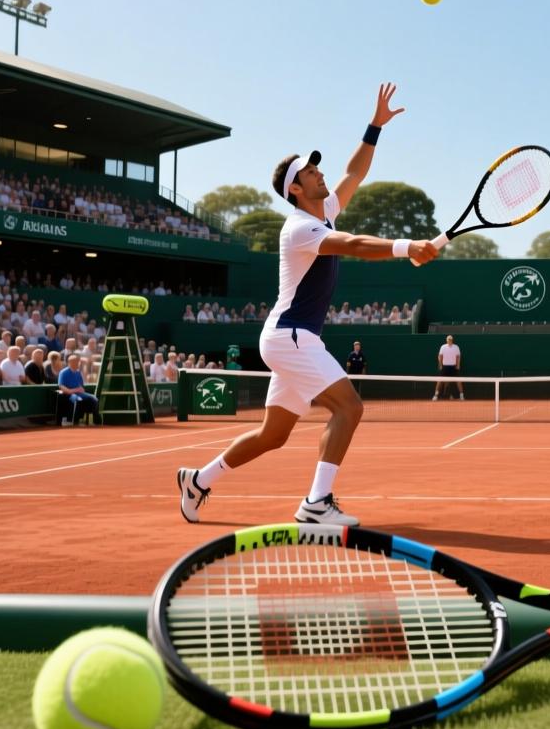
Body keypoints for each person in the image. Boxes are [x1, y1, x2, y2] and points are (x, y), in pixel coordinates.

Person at [176, 83, 439, 527]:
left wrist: (374, 127)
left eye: (318, 170)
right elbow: (353, 244)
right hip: (290, 335)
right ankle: (317, 503)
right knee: (349, 408)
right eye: (311, 172)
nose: (321, 174)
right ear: (295, 188)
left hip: (290, 338)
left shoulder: (325, 211)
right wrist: (407, 245)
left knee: (272, 435)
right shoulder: (299, 228)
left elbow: (355, 174)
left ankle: (198, 479)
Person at [57, 353, 101, 425]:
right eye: (76, 362)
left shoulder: (78, 373)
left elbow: (81, 386)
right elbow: (62, 387)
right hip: (68, 394)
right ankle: (73, 420)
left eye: (78, 362)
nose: (78, 363)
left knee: (94, 399)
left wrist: (81, 389)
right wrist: (75, 390)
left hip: (80, 393)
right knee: (77, 399)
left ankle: (97, 421)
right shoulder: (63, 373)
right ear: (70, 362)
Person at [433, 334, 464, 401]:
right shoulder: (443, 347)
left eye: (450, 339)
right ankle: (435, 395)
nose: (449, 341)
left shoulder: (456, 347)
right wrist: (440, 365)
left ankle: (462, 396)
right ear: (446, 340)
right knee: (440, 381)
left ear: (452, 340)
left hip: (453, 367)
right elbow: (440, 356)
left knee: (458, 381)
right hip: (445, 367)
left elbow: (458, 357)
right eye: (448, 339)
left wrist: (458, 365)